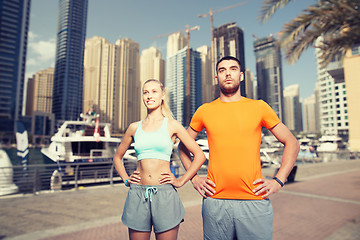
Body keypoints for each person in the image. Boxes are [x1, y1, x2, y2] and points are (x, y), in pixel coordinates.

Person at [179, 56, 300, 240]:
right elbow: (183, 146)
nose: (228, 73)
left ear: (241, 76)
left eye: (233, 69)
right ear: (216, 78)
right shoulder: (204, 110)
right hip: (215, 203)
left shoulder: (259, 107)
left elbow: (292, 142)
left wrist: (278, 181)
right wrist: (194, 179)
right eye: (222, 70)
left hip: (254, 202)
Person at [114, 79, 206, 240]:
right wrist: (126, 180)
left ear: (163, 95)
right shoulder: (134, 127)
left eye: (154, 91)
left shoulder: (172, 125)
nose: (149, 96)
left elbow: (199, 155)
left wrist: (181, 181)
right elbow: (117, 157)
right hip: (137, 194)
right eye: (145, 92)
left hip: (165, 194)